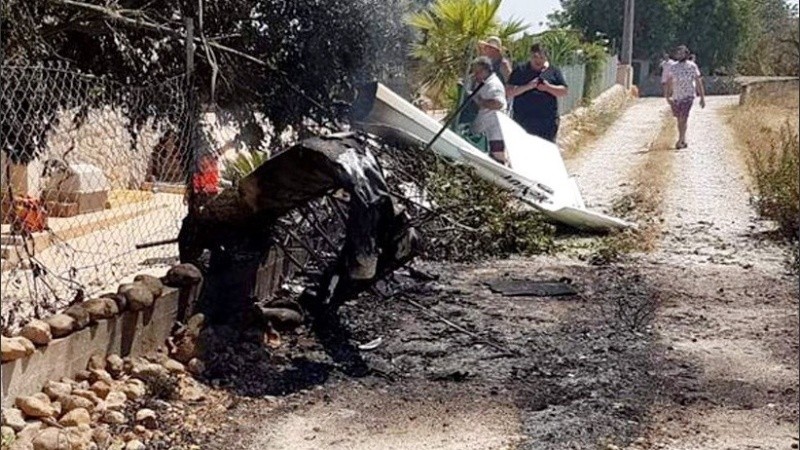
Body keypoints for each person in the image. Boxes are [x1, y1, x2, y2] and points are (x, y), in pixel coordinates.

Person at [506, 44, 569, 142]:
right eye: (535, 57)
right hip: (523, 121)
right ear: (530, 56)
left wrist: (548, 88)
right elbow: (509, 92)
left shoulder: (553, 71)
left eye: (541, 57)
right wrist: (528, 86)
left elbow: (564, 91)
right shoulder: (520, 70)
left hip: (547, 123)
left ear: (546, 58)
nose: (538, 60)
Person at [469, 56, 508, 166]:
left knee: (497, 162)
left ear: (485, 70)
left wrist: (482, 102)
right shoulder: (480, 81)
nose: (475, 74)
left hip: (494, 132)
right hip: (481, 129)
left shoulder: (494, 85)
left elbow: (499, 103)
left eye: (478, 72)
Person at [664, 45, 706, 149]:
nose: (680, 55)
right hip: (677, 96)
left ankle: (680, 140)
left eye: (682, 53)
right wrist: (667, 96)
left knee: (684, 117)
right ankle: (683, 139)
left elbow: (698, 81)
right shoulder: (673, 67)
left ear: (686, 54)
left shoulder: (692, 66)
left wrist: (702, 97)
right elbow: (669, 82)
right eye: (678, 53)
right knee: (679, 119)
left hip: (688, 95)